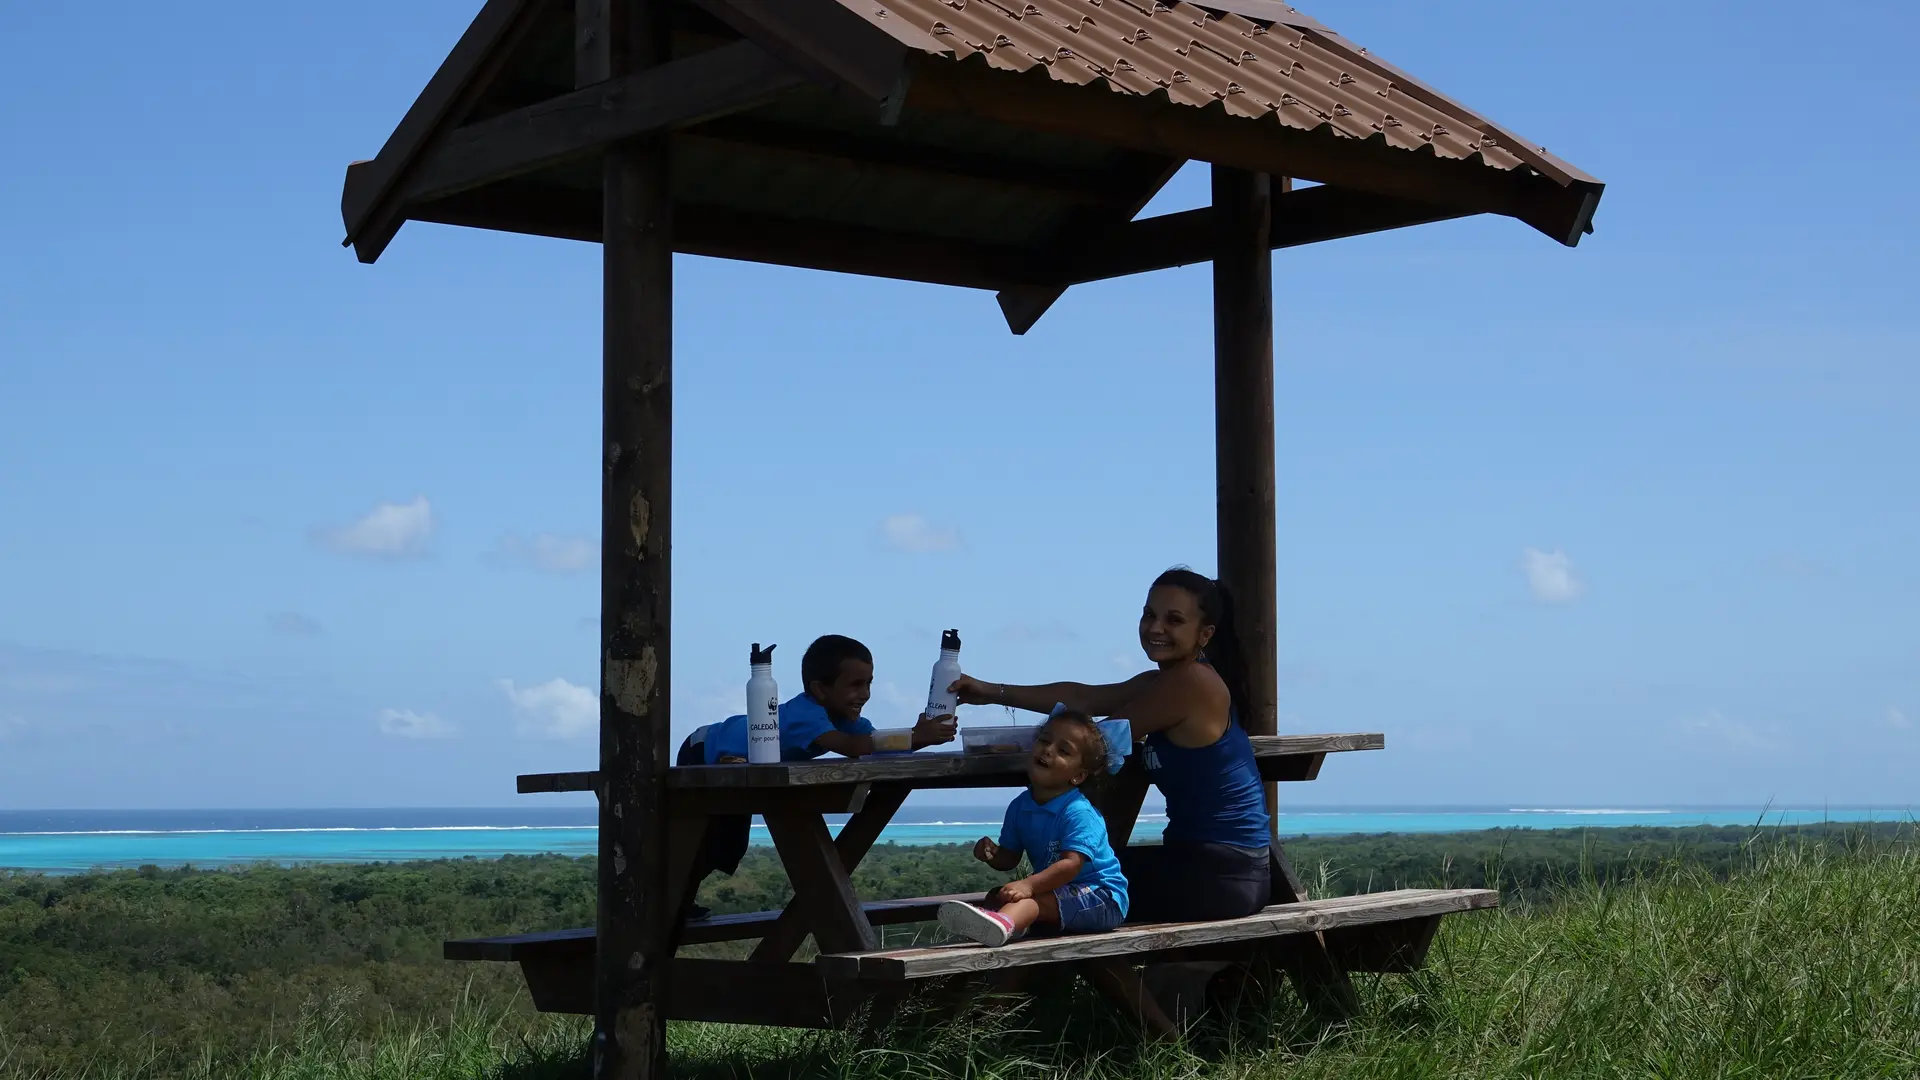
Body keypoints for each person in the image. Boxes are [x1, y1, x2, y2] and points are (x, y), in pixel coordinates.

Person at [949, 568, 1273, 923]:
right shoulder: (1163, 681)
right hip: (1202, 861)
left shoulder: (1193, 683)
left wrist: (1043, 746)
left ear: (1205, 634)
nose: (1155, 628)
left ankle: (1016, 944)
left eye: (1174, 620)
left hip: (1223, 874)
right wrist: (989, 692)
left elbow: (1093, 743)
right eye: (1149, 614)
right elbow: (1083, 697)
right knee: (1053, 887)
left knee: (1077, 893)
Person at [678, 634, 957, 917]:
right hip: (704, 750)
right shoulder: (806, 714)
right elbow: (851, 747)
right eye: (856, 684)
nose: (866, 694)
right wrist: (915, 736)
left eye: (869, 683)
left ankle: (676, 902)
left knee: (727, 845)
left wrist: (920, 737)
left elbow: (876, 744)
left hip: (736, 763)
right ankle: (671, 901)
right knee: (706, 841)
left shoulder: (842, 718)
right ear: (820, 690)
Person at [939, 706, 1131, 947]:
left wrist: (1027, 885)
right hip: (1060, 892)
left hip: (1101, 898)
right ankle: (1007, 925)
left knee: (1028, 902)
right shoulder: (1021, 806)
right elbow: (1010, 858)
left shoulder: (1078, 812)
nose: (1048, 750)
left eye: (1063, 750)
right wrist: (993, 854)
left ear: (1079, 776)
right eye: (1044, 740)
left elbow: (1071, 865)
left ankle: (1004, 926)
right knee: (995, 897)